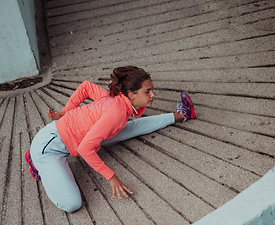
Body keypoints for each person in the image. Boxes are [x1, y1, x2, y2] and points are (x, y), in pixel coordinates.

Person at [24, 66, 196, 212]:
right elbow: (85, 149)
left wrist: (65, 112)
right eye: (147, 91)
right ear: (131, 95)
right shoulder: (116, 112)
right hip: (48, 148)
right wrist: (111, 177)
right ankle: (35, 161)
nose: (153, 95)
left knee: (129, 128)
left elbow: (86, 87)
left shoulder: (118, 100)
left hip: (74, 137)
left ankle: (183, 114)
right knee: (72, 204)